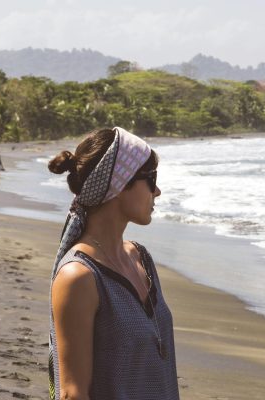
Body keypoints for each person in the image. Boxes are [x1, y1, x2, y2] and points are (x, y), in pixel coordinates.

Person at [47, 127, 179, 400]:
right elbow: (73, 393)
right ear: (121, 183)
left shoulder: (141, 259)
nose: (158, 191)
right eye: (151, 179)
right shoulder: (79, 277)